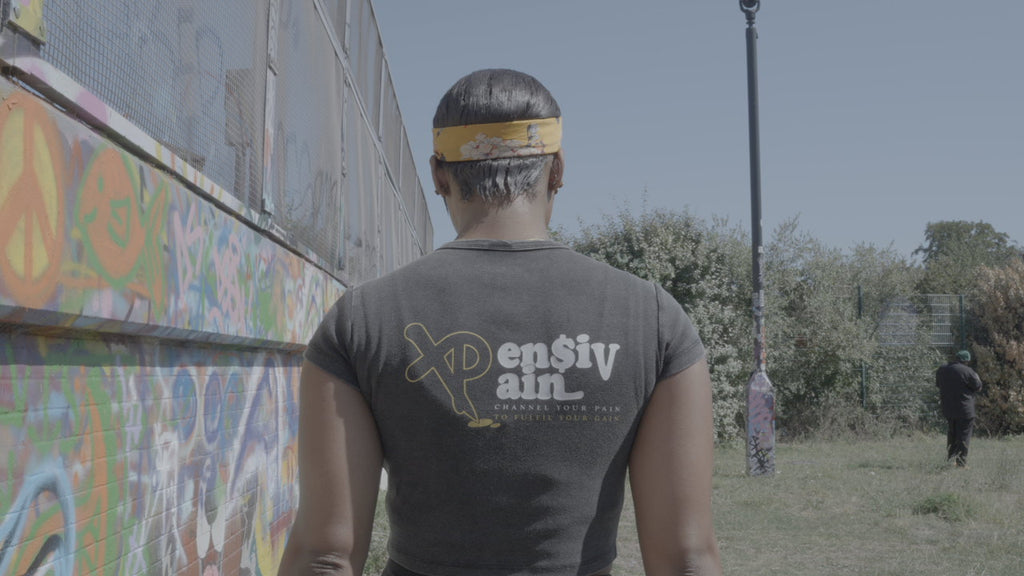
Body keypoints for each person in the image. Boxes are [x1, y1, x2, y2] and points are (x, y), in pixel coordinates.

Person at [278, 69, 722, 576]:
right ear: (557, 170)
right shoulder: (654, 320)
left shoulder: (360, 321)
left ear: (439, 175)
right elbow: (686, 559)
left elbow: (324, 556)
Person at [935, 349, 983, 467]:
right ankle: (961, 463)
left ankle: (951, 460)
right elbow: (978, 387)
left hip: (948, 409)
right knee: (964, 436)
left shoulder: (942, 370)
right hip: (965, 409)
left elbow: (938, 385)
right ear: (967, 361)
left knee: (952, 435)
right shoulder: (968, 371)